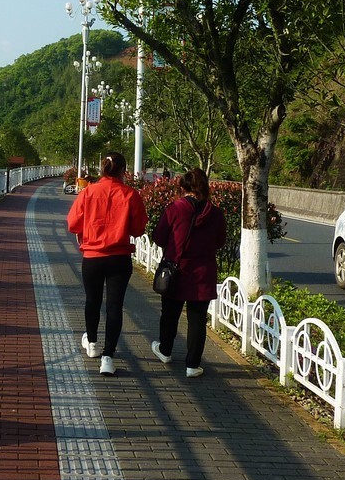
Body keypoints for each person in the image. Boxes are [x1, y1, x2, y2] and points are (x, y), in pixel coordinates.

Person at [66, 152, 147, 376]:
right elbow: (139, 229)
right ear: (123, 171)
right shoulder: (131, 194)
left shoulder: (89, 192)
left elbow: (73, 224)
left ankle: (91, 344)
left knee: (92, 301)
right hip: (119, 258)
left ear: (103, 169)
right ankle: (108, 357)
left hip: (92, 257)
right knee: (114, 306)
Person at [149, 168, 227, 378]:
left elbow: (159, 237)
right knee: (198, 319)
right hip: (203, 273)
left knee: (170, 314)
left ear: (183, 188)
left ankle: (165, 351)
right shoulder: (215, 213)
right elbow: (220, 242)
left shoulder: (175, 208)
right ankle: (193, 365)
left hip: (177, 270)